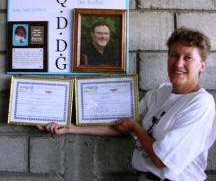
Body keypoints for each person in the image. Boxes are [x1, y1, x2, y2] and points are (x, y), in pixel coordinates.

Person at [37, 27, 216, 181]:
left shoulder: (201, 103)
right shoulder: (160, 92)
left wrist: (135, 127)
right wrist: (70, 128)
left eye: (188, 58)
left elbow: (162, 160)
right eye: (174, 55)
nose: (178, 63)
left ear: (202, 66)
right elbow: (121, 124)